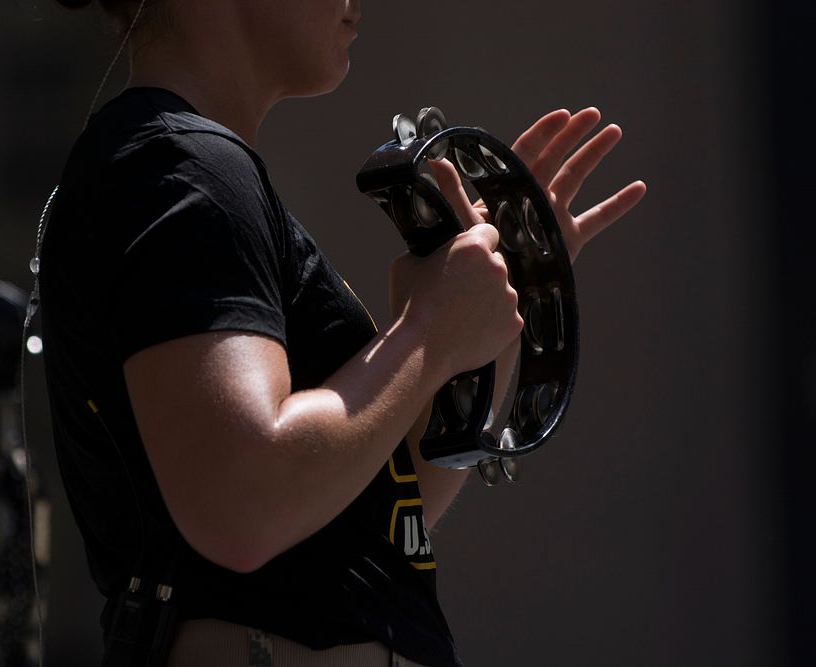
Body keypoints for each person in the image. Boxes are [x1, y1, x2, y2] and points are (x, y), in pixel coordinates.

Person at [39, 1, 647, 665]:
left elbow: (382, 503)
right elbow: (245, 500)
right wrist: (429, 332)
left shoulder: (183, 166)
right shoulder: (179, 166)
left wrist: (494, 306)